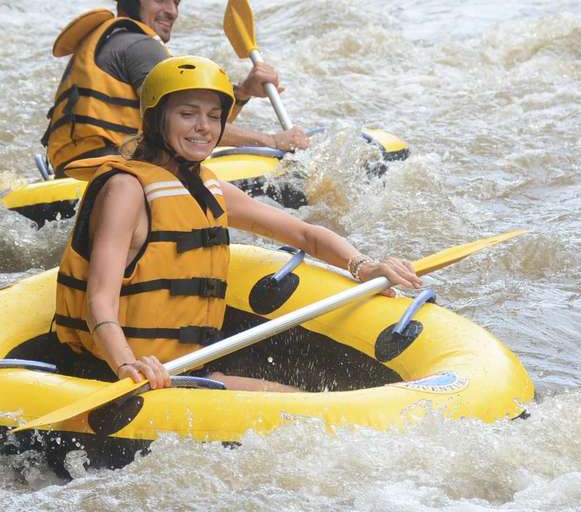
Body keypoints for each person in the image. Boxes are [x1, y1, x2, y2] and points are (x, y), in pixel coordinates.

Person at [52, 55, 423, 390]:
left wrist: (362, 265)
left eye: (214, 117)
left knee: (299, 398)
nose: (204, 128)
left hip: (185, 368)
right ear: (155, 118)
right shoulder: (125, 189)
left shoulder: (207, 186)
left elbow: (305, 234)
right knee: (292, 404)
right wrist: (127, 364)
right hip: (118, 374)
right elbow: (99, 300)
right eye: (188, 114)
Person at [43, 0, 312, 177]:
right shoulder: (140, 46)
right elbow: (191, 125)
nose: (172, 10)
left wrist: (241, 93)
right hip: (110, 171)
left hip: (74, 169)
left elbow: (190, 121)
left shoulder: (109, 38)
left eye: (176, 1)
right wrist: (274, 142)